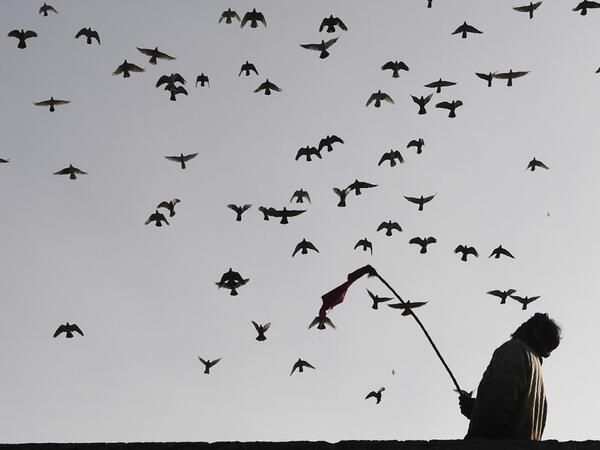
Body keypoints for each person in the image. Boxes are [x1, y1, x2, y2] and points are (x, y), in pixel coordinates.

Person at [459, 313, 561, 440]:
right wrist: (475, 409)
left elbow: (501, 399)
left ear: (536, 332)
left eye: (528, 323)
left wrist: (478, 438)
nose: (522, 325)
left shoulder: (516, 349)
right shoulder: (538, 375)